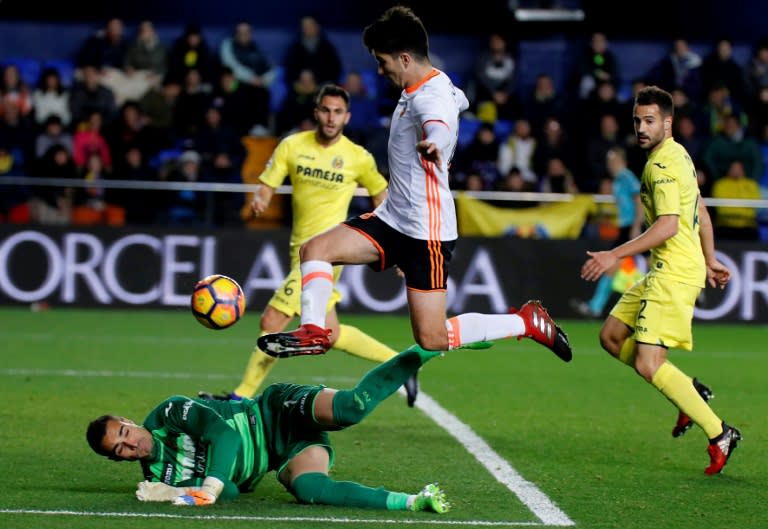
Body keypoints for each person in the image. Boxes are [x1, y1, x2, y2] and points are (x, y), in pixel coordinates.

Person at [257, 6, 572, 363]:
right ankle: (314, 331)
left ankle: (525, 323)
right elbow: (458, 99)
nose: (380, 69)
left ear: (405, 58)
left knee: (433, 337)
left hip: (426, 231)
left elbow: (438, 120)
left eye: (382, 61)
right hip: (393, 219)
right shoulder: (428, 83)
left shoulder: (429, 97)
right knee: (315, 251)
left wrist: (436, 141)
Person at [199, 83, 419, 405]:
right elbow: (268, 183)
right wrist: (261, 197)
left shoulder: (357, 157)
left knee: (272, 321)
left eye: (338, 112)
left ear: (347, 117)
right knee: (330, 333)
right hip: (299, 251)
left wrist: (395, 245)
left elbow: (381, 196)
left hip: (329, 254)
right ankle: (402, 363)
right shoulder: (292, 146)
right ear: (316, 113)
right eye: (326, 111)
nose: (331, 118)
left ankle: (240, 398)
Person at [579, 86, 741, 475]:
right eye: (637, 120)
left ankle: (719, 432)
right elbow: (699, 206)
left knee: (650, 365)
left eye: (649, 120)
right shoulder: (679, 154)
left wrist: (614, 254)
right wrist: (711, 257)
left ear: (667, 122)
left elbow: (668, 225)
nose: (641, 127)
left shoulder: (661, 165)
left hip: (674, 274)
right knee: (611, 337)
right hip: (667, 270)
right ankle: (688, 395)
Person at [86, 345, 450, 513]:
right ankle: (413, 501)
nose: (130, 445)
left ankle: (420, 351)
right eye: (119, 450)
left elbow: (223, 434)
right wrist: (170, 493)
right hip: (281, 454)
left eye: (124, 433)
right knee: (309, 490)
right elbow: (227, 492)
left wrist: (206, 485)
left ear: (129, 422)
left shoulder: (168, 412)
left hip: (275, 411)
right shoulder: (160, 477)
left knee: (351, 409)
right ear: (118, 460)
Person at [571, 146, 643, 318]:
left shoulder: (626, 176)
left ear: (622, 161)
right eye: (609, 161)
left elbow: (639, 199)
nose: (610, 165)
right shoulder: (617, 180)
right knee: (615, 266)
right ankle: (595, 306)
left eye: (613, 161)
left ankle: (595, 306)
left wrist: (636, 225)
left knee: (617, 265)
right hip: (625, 227)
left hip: (631, 227)